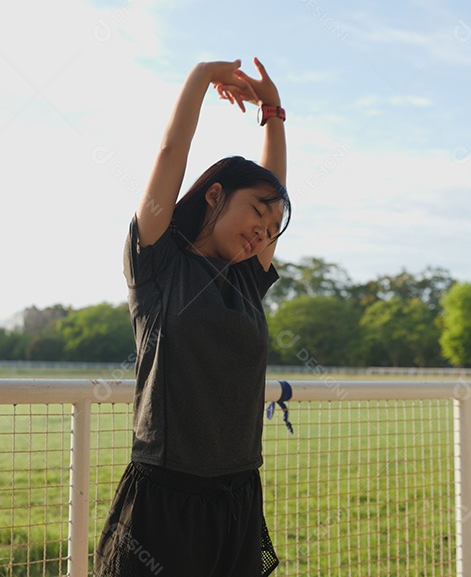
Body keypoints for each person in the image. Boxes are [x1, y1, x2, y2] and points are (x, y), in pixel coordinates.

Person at [94, 58, 290, 576]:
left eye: (274, 227)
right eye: (257, 213)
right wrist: (203, 75)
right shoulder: (159, 264)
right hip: (165, 502)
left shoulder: (246, 279)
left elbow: (273, 184)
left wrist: (273, 111)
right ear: (215, 194)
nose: (263, 232)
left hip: (239, 496)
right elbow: (170, 152)